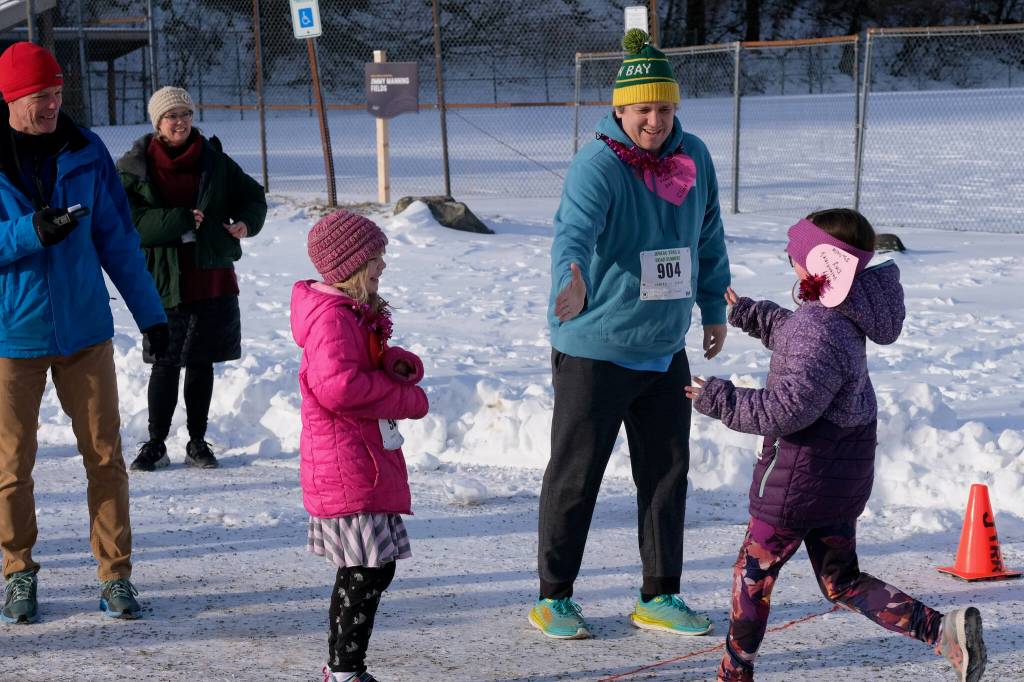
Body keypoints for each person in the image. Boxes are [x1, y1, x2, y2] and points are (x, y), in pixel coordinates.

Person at [687, 208, 987, 682]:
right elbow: (802, 343)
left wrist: (718, 397)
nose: (792, 262)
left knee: (752, 574)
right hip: (835, 481)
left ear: (821, 263)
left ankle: (733, 672)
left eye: (798, 255)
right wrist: (753, 314)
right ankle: (940, 631)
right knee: (841, 581)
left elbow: (784, 408)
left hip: (795, 485)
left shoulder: (817, 327)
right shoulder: (837, 315)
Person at [531, 28, 730, 640]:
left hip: (663, 345)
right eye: (643, 109)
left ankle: (659, 594)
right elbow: (574, 231)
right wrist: (571, 277)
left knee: (667, 473)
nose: (655, 120)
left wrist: (712, 308)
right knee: (576, 473)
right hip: (596, 345)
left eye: (664, 107)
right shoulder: (597, 163)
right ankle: (554, 598)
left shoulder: (692, 153)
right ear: (620, 109)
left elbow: (708, 233)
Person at [0, 42, 168, 623]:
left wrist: (152, 316)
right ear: (10, 98)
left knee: (105, 457)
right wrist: (28, 232)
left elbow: (118, 239)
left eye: (56, 93)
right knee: (11, 466)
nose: (50, 105)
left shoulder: (85, 148)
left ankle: (116, 575)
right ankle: (18, 572)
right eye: (38, 97)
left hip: (86, 332)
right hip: (11, 337)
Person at [290, 210, 428, 682]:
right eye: (375, 258)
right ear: (350, 266)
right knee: (366, 570)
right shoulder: (332, 320)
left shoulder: (352, 315)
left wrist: (394, 363)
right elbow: (339, 388)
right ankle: (344, 672)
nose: (383, 266)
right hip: (347, 464)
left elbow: (356, 367)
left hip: (363, 459)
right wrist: (405, 399)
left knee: (373, 568)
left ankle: (344, 669)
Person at [117, 86, 266, 471]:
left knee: (202, 362)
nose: (179, 121)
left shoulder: (214, 160)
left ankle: (198, 441)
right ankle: (155, 443)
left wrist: (247, 223)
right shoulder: (135, 166)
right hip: (164, 279)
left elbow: (252, 195)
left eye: (184, 114)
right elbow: (128, 221)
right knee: (164, 363)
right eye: (171, 116)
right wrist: (179, 219)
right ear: (158, 123)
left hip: (210, 275)